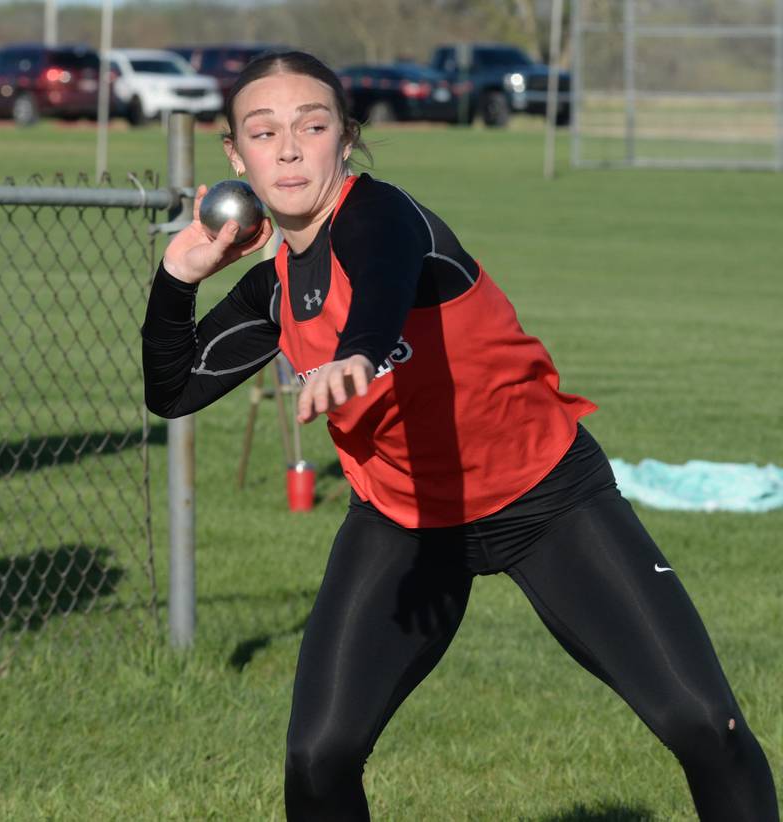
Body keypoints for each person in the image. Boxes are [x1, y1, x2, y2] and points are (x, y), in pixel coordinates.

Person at [141, 51, 779, 821]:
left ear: (345, 139)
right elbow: (173, 390)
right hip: (404, 525)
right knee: (319, 758)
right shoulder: (271, 289)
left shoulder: (387, 215)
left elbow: (381, 276)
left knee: (706, 725)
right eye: (263, 131)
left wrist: (359, 354)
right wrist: (178, 278)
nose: (286, 149)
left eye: (311, 126)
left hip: (546, 500)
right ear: (235, 157)